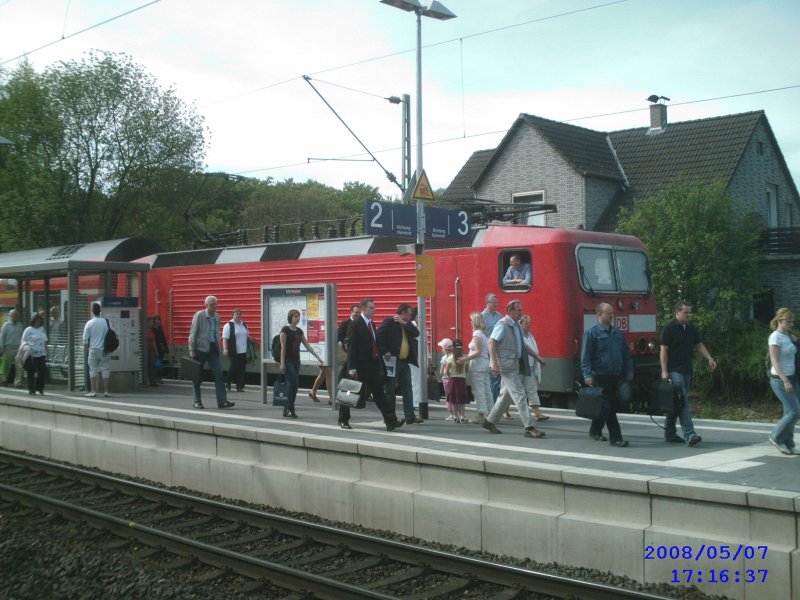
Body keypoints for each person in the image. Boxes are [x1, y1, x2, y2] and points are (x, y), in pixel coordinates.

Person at [482, 300, 545, 438]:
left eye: (521, 310)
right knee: (520, 395)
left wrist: (537, 357)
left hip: (514, 365)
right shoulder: (503, 325)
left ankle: (489, 421)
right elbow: (491, 342)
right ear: (510, 311)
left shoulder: (516, 326)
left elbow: (523, 345)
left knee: (504, 396)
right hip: (506, 366)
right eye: (518, 310)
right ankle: (529, 427)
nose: (521, 313)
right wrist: (494, 362)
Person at [659, 301, 715, 447]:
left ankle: (669, 433)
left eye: (690, 312)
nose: (689, 315)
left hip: (687, 370)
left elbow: (699, 344)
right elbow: (663, 350)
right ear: (677, 312)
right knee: (683, 402)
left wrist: (709, 358)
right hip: (674, 371)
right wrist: (664, 371)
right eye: (686, 312)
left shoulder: (690, 328)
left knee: (677, 403)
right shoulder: (669, 328)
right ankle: (690, 435)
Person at [345, 297, 404, 431]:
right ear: (364, 309)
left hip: (372, 365)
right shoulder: (355, 324)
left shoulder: (371, 324)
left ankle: (390, 421)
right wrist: (352, 368)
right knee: (350, 393)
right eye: (371, 308)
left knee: (379, 394)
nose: (374, 310)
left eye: (374, 307)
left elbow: (375, 343)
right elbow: (352, 347)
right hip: (359, 367)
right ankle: (343, 419)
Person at [580, 302, 633, 447]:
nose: (611, 315)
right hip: (600, 375)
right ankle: (616, 438)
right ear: (599, 315)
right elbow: (585, 357)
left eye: (612, 313)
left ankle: (595, 430)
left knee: (607, 406)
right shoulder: (591, 334)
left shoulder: (617, 333)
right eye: (608, 313)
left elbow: (625, 353)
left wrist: (629, 369)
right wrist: (587, 375)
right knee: (609, 407)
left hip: (616, 375)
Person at [377, 303, 423, 424]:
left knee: (407, 388)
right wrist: (385, 351)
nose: (411, 317)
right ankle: (390, 417)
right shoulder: (389, 322)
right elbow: (379, 336)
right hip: (392, 361)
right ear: (403, 313)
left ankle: (410, 416)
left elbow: (416, 333)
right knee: (390, 390)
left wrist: (406, 323)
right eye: (409, 314)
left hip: (404, 361)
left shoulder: (407, 324)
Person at [188, 295, 235, 410]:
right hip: (200, 349)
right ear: (207, 305)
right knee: (197, 376)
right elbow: (193, 333)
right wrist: (191, 349)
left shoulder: (217, 317)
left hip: (213, 348)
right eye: (212, 304)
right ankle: (197, 401)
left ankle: (222, 401)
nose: (215, 306)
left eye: (216, 304)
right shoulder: (199, 315)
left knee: (219, 374)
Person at [767, 307, 799, 455]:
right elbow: (775, 361)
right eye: (788, 322)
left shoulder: (787, 336)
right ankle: (775, 436)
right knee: (794, 411)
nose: (791, 324)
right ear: (780, 320)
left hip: (793, 378)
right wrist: (785, 381)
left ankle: (788, 443)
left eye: (792, 322)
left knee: (790, 412)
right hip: (780, 380)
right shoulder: (775, 337)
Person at [279, 308, 323, 418]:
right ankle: (290, 408)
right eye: (295, 316)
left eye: (298, 316)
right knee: (292, 383)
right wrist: (282, 362)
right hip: (288, 360)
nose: (297, 318)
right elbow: (283, 348)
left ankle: (287, 408)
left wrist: (317, 356)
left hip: (296, 361)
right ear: (290, 317)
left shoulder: (299, 331)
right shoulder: (285, 330)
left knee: (295, 385)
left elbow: (307, 345)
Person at [457, 312, 493, 424]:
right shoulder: (483, 334)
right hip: (484, 364)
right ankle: (491, 413)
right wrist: (467, 356)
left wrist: (465, 359)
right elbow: (480, 352)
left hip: (477, 366)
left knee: (478, 391)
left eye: (471, 320)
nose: (470, 322)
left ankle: (482, 414)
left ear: (475, 322)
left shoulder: (477, 334)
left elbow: (477, 352)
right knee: (487, 390)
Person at [519, 314, 549, 421]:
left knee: (532, 390)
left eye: (529, 323)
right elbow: (525, 349)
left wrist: (538, 361)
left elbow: (535, 350)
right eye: (526, 323)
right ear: (520, 323)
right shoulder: (518, 336)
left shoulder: (530, 336)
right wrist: (538, 357)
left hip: (530, 366)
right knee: (512, 392)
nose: (529, 325)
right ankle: (505, 411)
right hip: (520, 367)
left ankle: (537, 413)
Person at [336, 304, 361, 428]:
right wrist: (345, 342)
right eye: (355, 312)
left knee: (377, 391)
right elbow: (338, 337)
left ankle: (389, 418)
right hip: (349, 363)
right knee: (347, 390)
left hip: (361, 363)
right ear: (351, 312)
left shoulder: (364, 324)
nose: (357, 314)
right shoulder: (346, 324)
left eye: (358, 312)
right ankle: (343, 418)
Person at [82, 303, 114, 398]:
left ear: (92, 311)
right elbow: (112, 334)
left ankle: (93, 391)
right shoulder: (107, 322)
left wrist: (86, 349)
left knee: (93, 370)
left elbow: (85, 339)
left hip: (93, 349)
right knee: (105, 369)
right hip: (104, 349)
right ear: (100, 310)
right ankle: (106, 391)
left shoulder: (89, 323)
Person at [481, 293, 503, 404]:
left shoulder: (499, 316)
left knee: (500, 379)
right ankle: (493, 405)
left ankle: (499, 406)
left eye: (497, 303)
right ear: (488, 303)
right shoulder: (482, 317)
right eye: (494, 303)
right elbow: (481, 335)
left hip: (500, 350)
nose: (496, 305)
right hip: (489, 350)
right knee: (493, 379)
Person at [222, 308, 249, 393]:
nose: (238, 315)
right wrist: (225, 349)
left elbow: (247, 335)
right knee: (233, 368)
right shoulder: (229, 325)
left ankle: (239, 387)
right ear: (232, 315)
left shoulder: (244, 324)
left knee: (241, 369)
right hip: (233, 350)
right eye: (236, 314)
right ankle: (228, 381)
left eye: (239, 314)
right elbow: (225, 338)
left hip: (243, 350)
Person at [20, 313, 47, 395]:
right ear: (33, 321)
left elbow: (45, 340)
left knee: (42, 370)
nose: (38, 323)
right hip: (31, 353)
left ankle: (39, 388)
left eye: (39, 322)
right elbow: (23, 341)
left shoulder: (42, 329)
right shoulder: (28, 330)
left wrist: (46, 350)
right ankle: (31, 389)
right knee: (31, 371)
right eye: (37, 321)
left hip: (41, 353)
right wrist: (26, 347)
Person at [445, 339, 468, 423]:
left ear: (453, 348)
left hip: (453, 380)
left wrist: (450, 375)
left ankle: (455, 416)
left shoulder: (450, 358)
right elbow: (467, 370)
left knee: (453, 400)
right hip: (462, 381)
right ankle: (462, 416)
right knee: (461, 400)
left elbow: (446, 371)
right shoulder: (464, 358)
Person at [0, 309, 25, 387]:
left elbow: (22, 337)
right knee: (6, 366)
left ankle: (18, 383)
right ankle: (3, 381)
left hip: (18, 348)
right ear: (10, 316)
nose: (15, 317)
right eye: (14, 315)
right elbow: (1, 337)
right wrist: (2, 346)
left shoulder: (20, 325)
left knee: (19, 366)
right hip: (8, 348)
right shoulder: (6, 325)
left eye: (16, 315)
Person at [438, 338, 455, 421]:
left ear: (444, 348)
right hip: (454, 379)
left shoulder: (444, 358)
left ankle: (451, 414)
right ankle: (458, 414)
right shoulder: (454, 356)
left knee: (448, 397)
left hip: (446, 379)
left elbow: (441, 371)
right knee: (455, 396)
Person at [152, 315, 169, 383]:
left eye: (159, 319)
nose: (158, 321)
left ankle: (159, 378)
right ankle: (156, 378)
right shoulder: (153, 329)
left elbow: (163, 338)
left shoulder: (160, 328)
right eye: (156, 319)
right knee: (156, 364)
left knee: (160, 364)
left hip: (160, 348)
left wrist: (166, 347)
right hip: (155, 348)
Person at [146, 316, 159, 386]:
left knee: (153, 365)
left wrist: (156, 351)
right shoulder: (143, 330)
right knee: (148, 366)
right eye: (150, 322)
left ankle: (152, 380)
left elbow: (154, 341)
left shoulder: (152, 330)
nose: (151, 323)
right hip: (146, 350)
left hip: (152, 350)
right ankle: (150, 381)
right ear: (147, 323)